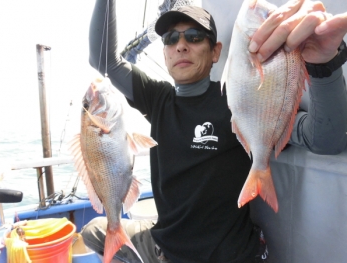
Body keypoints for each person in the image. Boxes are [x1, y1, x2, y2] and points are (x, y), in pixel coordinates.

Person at [81, 0, 347, 262]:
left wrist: (324, 63)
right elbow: (103, 60)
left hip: (228, 256)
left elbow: (325, 140)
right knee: (92, 230)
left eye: (194, 37)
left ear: (216, 52)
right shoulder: (157, 98)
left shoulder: (240, 100)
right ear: (165, 53)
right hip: (165, 245)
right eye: (170, 39)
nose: (181, 46)